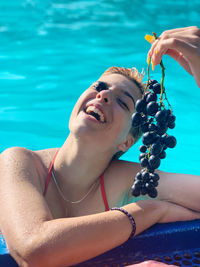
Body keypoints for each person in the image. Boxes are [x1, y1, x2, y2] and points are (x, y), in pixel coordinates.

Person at [0, 26, 200, 267]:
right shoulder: (18, 162)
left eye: (122, 103)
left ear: (126, 141)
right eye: (99, 87)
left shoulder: (127, 181)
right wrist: (150, 211)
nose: (103, 97)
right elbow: (34, 250)